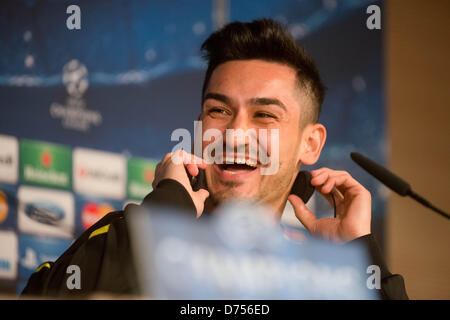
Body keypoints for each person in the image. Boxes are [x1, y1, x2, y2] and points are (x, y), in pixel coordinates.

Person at [21, 18, 408, 299]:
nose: (235, 134)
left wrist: (361, 257)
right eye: (218, 111)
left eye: (265, 115)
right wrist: (163, 222)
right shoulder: (121, 236)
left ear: (311, 143)